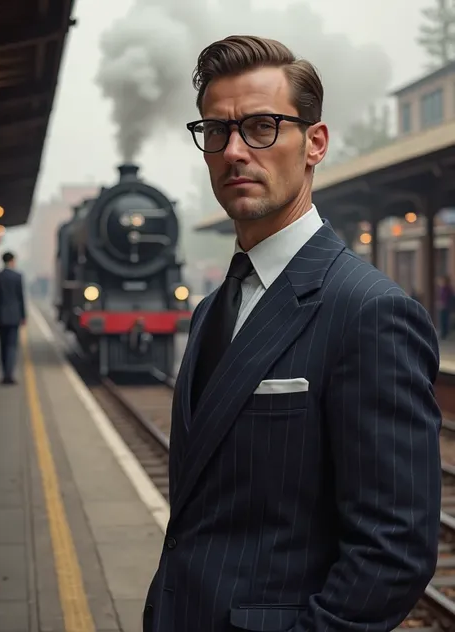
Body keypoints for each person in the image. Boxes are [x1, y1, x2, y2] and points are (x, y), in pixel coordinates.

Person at [144, 35, 442, 632]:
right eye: (217, 131)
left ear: (314, 143)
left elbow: (393, 551)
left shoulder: (371, 312)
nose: (234, 151)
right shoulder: (209, 310)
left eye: (261, 127)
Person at [0, 251, 26, 384]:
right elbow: (21, 298)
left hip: (0, 316)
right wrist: (23, 316)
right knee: (11, 345)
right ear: (12, 261)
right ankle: (9, 375)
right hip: (14, 316)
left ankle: (4, 372)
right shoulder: (18, 276)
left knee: (3, 345)